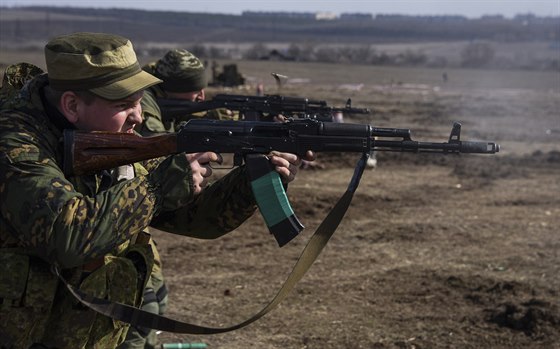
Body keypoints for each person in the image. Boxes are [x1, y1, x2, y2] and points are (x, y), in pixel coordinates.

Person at [0, 32, 310, 349]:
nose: (138, 117)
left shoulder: (106, 136)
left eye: (140, 102)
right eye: (124, 105)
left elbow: (194, 218)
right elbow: (68, 236)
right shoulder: (15, 145)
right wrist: (158, 186)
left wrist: (253, 180)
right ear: (72, 105)